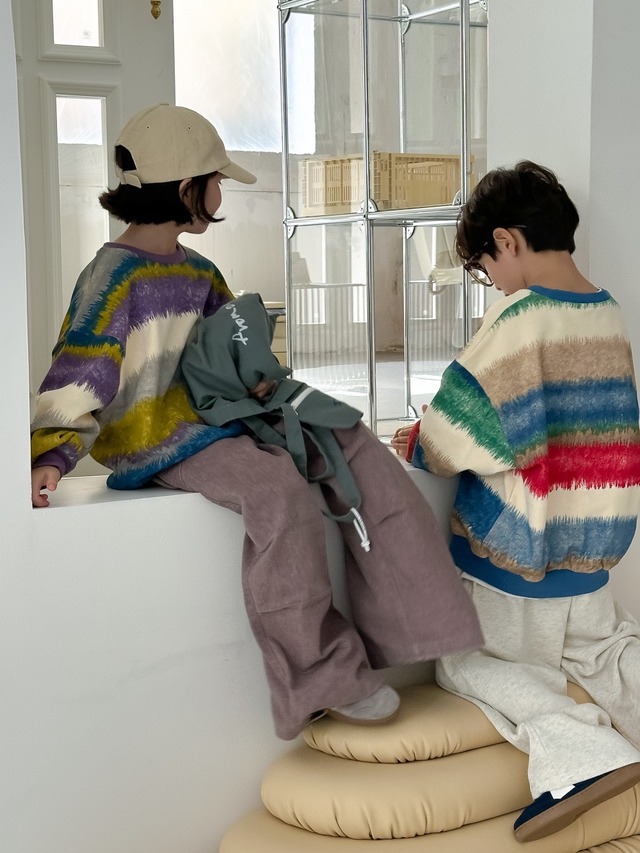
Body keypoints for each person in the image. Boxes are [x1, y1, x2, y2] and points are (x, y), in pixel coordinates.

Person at [30, 103, 482, 741]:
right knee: (277, 493)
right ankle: (321, 676)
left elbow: (233, 352)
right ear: (186, 188)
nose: (222, 194)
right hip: (160, 439)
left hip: (225, 412)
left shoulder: (199, 271)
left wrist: (266, 381)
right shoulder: (111, 277)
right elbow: (82, 366)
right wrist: (52, 453)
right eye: (216, 181)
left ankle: (423, 626)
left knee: (350, 439)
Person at [392, 160, 640, 842]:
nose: (491, 282)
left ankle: (583, 753)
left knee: (466, 663)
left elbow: (456, 433)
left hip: (515, 568)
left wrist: (416, 438)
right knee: (609, 653)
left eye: (484, 268)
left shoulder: (519, 317)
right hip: (591, 565)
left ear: (506, 241)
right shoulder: (608, 312)